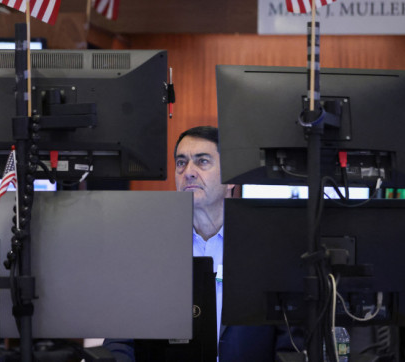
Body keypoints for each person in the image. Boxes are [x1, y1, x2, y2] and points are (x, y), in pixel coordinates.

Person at [104, 126, 302, 361]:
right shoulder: (146, 250)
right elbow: (118, 341)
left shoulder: (270, 250)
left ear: (231, 179)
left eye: (202, 162)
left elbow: (291, 345)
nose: (188, 172)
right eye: (181, 163)